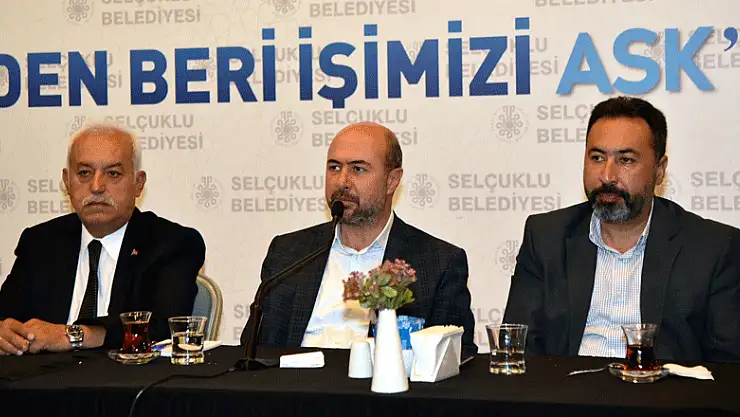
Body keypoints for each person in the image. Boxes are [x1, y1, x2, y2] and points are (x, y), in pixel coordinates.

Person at [503, 96, 740, 362]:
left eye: (626, 160)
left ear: (659, 170)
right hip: (568, 386)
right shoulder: (545, 237)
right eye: (597, 157)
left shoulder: (713, 248)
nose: (607, 175)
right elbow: (519, 349)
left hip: (661, 387)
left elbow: (729, 367)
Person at [241, 122, 476, 353]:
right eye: (334, 167)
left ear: (392, 181)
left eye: (358, 169)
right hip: (293, 377)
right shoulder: (289, 253)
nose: (342, 182)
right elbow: (253, 349)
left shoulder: (437, 263)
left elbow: (456, 356)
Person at [0, 123, 205, 355]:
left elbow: (164, 328)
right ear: (67, 181)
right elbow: (6, 317)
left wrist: (73, 335)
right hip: (43, 375)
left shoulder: (172, 244)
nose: (96, 187)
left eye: (113, 173)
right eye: (84, 173)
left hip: (126, 376)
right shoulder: (40, 242)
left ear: (138, 183)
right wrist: (5, 333)